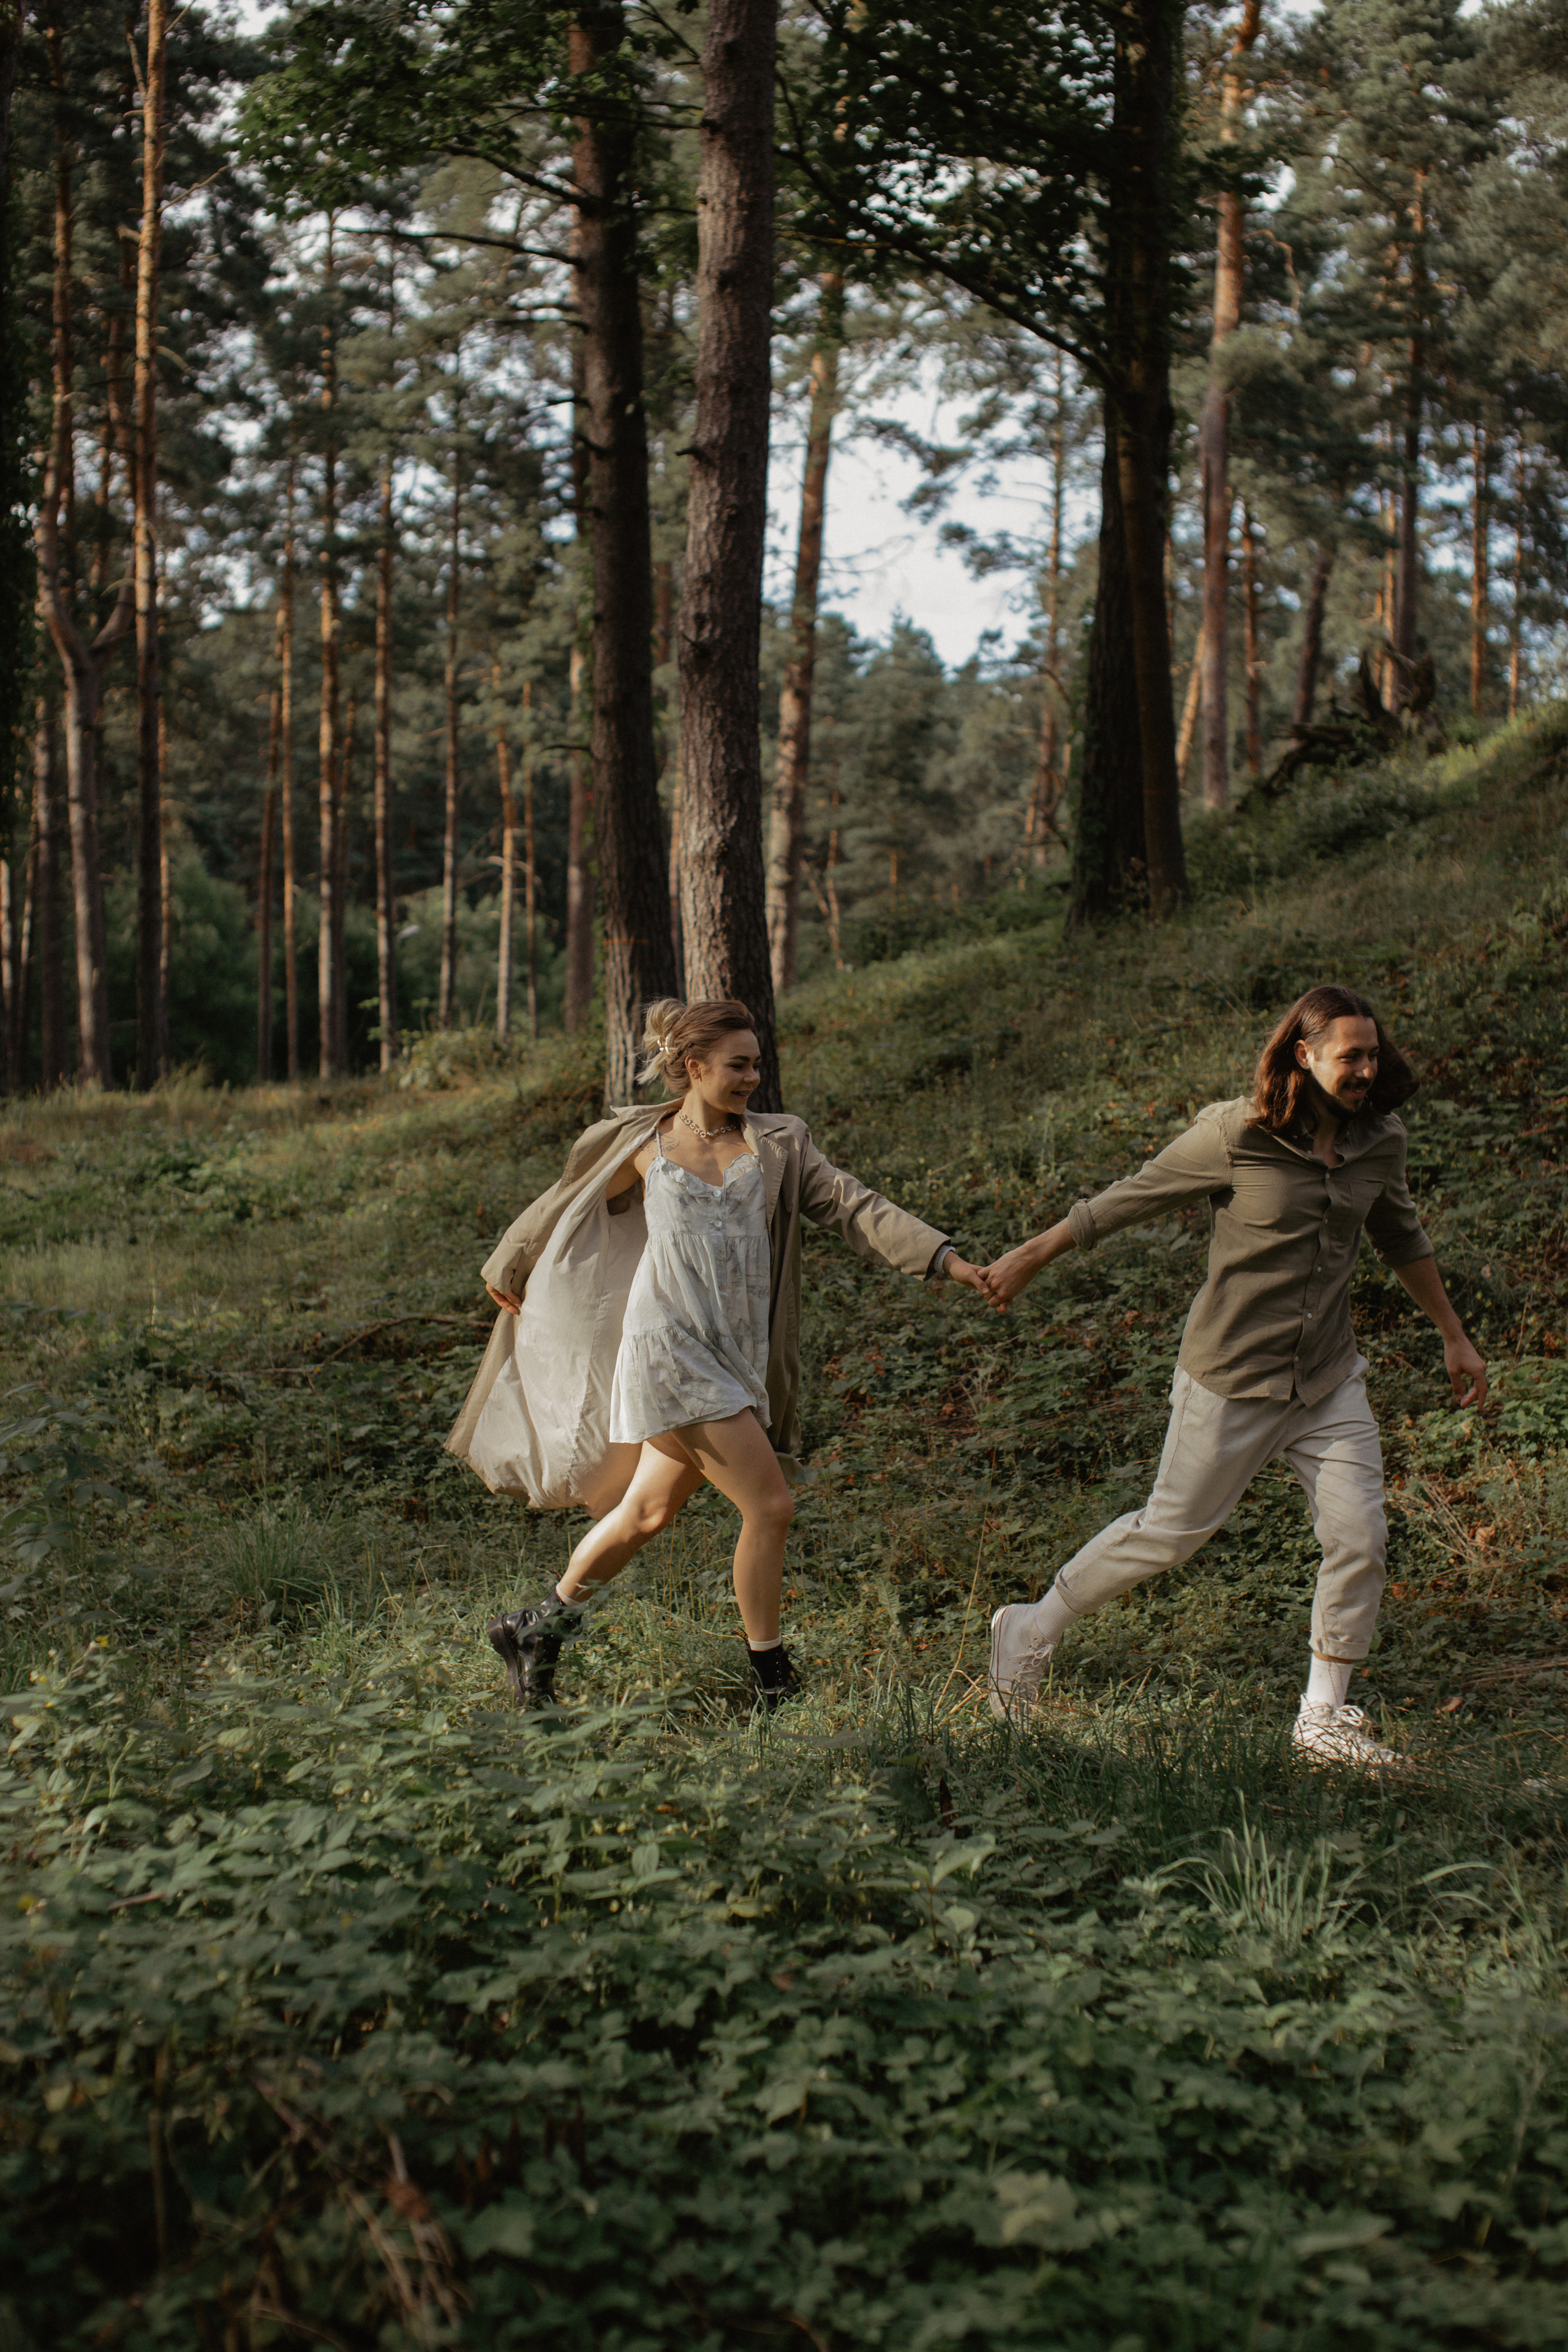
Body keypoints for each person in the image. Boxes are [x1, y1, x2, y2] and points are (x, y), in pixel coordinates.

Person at [981, 986, 1488, 1767]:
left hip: (1326, 1378)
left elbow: (1399, 1233)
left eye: (1372, 1053)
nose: (1364, 1069)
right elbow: (1127, 1201)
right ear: (1304, 1054)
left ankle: (1322, 1719)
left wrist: (1453, 1335)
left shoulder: (1380, 1138)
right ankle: (1029, 1628)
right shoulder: (1237, 1134)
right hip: (1230, 1378)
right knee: (1169, 1534)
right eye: (1349, 1055)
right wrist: (1027, 1257)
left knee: (1360, 1536)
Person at [447, 997, 995, 1711]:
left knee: (646, 1515)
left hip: (736, 1352)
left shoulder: (779, 1144)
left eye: (756, 1065)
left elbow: (857, 1208)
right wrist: (509, 1262)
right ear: (691, 1067)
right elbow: (565, 1201)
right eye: (737, 1065)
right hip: (667, 1347)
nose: (751, 1079)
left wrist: (948, 1260)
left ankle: (534, 1628)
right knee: (770, 1506)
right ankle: (771, 1679)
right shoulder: (640, 1145)